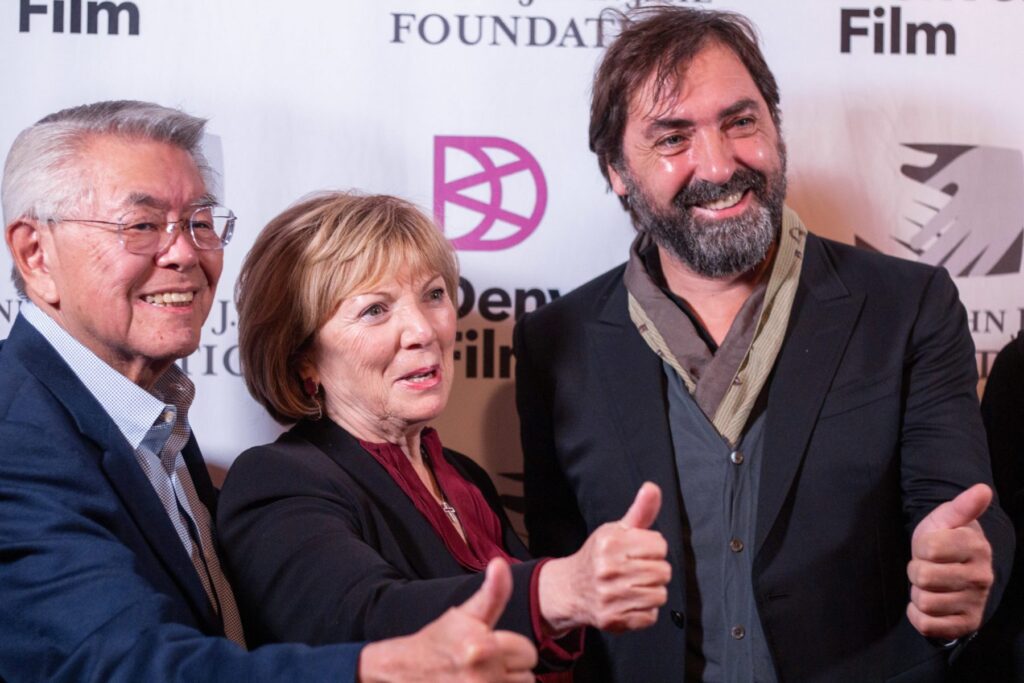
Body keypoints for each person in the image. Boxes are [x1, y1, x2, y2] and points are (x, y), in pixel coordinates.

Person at [513, 7, 1015, 682]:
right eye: (672, 138)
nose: (718, 163)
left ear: (774, 128)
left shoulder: (908, 307)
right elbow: (561, 571)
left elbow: (962, 513)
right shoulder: (555, 343)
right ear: (616, 171)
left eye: (740, 121)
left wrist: (963, 560)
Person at [0, 99, 537, 683]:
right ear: (35, 255)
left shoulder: (155, 425)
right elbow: (122, 664)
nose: (184, 252)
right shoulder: (17, 438)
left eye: (200, 223)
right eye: (142, 226)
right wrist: (380, 668)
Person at [215, 191, 671, 677]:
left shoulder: (463, 476)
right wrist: (558, 589)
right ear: (303, 357)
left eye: (433, 295)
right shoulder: (275, 480)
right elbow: (365, 623)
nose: (422, 330)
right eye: (375, 310)